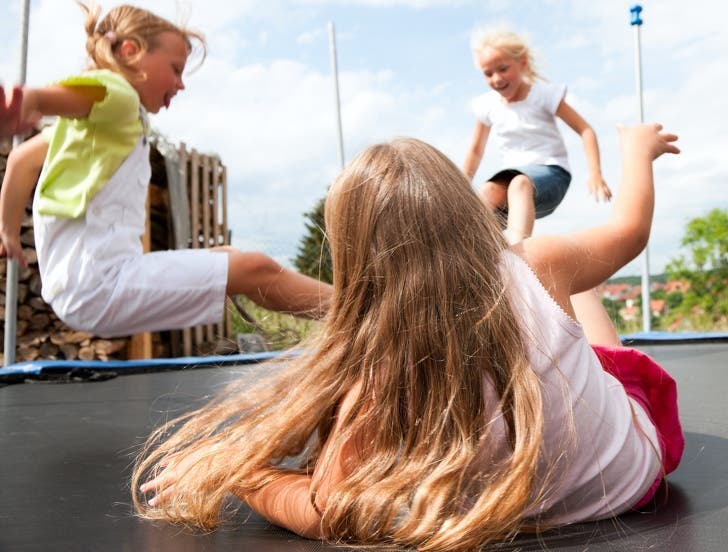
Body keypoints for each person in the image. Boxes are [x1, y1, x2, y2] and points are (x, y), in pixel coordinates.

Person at [132, 123, 681, 550]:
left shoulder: (377, 374)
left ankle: (515, 243)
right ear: (466, 215)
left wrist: (242, 473)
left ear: (353, 260)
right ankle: (513, 241)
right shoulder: (542, 266)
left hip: (564, 491)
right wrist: (636, 150)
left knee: (587, 335)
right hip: (632, 475)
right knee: (580, 319)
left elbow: (326, 511)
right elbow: (630, 230)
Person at [0, 2, 330, 337]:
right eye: (175, 69)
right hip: (101, 286)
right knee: (256, 268)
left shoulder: (88, 131)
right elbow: (75, 96)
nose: (181, 83)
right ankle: (360, 311)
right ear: (131, 52)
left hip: (85, 286)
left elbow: (20, 160)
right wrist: (32, 100)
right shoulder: (119, 96)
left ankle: (347, 316)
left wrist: (9, 233)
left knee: (230, 256)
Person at [463, 28, 612, 244]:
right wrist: (460, 186)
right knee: (486, 193)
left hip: (552, 174)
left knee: (520, 183)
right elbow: (476, 151)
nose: (496, 79)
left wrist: (595, 174)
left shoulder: (544, 95)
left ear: (522, 63)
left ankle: (520, 260)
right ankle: (482, 257)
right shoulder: (487, 106)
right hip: (512, 181)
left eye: (503, 69)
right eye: (488, 73)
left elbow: (585, 130)